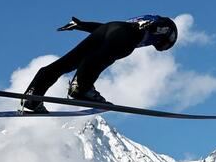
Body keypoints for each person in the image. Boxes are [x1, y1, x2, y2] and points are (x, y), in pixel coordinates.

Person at [20, 15, 178, 113]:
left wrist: (81, 25)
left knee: (67, 62)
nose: (160, 47)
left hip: (110, 28)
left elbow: (107, 29)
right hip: (125, 35)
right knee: (105, 57)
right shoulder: (166, 26)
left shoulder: (136, 25)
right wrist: (150, 25)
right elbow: (161, 23)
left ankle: (33, 95)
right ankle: (82, 88)